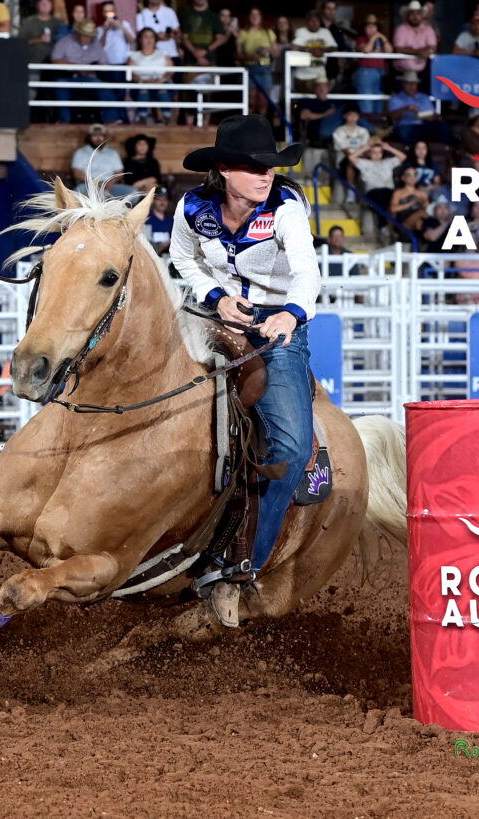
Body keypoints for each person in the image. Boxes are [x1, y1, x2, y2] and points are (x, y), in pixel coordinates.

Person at [170, 114, 318, 629]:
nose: (266, 176)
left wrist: (290, 313)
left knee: (293, 447)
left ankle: (238, 567)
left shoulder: (286, 208)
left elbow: (306, 271)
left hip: (278, 329)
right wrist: (214, 296)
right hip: (213, 320)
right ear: (226, 172)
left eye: (271, 167)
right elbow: (182, 261)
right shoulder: (192, 208)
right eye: (255, 168)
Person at [52, 18, 118, 124]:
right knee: (59, 87)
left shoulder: (96, 44)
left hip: (91, 79)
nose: (87, 38)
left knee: (106, 88)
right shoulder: (64, 41)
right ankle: (64, 121)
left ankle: (110, 120)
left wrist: (92, 68)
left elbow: (105, 63)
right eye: (84, 34)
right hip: (69, 77)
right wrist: (77, 67)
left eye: (89, 35)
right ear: (78, 33)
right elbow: (55, 60)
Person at [71, 123, 136, 197]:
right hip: (89, 185)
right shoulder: (80, 152)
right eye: (95, 135)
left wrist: (111, 181)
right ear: (89, 137)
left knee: (133, 192)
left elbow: (119, 173)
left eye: (101, 135)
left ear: (104, 137)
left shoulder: (112, 153)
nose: (98, 138)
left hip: (109, 186)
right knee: (77, 192)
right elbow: (77, 172)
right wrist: (94, 182)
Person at [128, 27, 174, 125]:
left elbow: (170, 72)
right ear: (140, 39)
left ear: (155, 40)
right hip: (141, 83)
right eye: (145, 37)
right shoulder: (134, 56)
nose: (149, 40)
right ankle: (142, 118)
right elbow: (132, 74)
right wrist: (143, 81)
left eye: (151, 37)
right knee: (143, 90)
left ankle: (167, 116)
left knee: (163, 90)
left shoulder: (163, 54)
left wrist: (162, 80)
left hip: (161, 82)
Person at [237, 7, 278, 116]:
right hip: (250, 68)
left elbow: (277, 53)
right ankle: (248, 127)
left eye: (257, 15)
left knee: (263, 103)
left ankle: (261, 129)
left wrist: (268, 50)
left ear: (261, 17)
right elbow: (238, 55)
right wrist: (250, 57)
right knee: (251, 101)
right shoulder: (243, 33)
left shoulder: (269, 33)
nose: (255, 17)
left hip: (265, 68)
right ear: (249, 17)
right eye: (252, 15)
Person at [291, 10, 337, 93]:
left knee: (322, 91)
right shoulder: (301, 31)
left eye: (316, 20)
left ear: (320, 22)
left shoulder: (325, 32)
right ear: (307, 22)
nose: (314, 23)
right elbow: (295, 47)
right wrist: (310, 50)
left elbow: (334, 47)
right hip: (302, 75)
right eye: (311, 20)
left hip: (320, 74)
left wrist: (322, 50)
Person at [354, 15, 391, 115]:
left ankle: (376, 128)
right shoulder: (361, 39)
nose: (371, 28)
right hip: (366, 72)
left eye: (374, 25)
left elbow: (389, 51)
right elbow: (366, 50)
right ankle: (367, 127)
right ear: (364, 28)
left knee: (378, 101)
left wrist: (383, 38)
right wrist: (374, 38)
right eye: (368, 26)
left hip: (380, 72)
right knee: (366, 102)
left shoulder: (381, 40)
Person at [393, 0, 437, 76]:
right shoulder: (401, 30)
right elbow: (398, 49)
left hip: (422, 74)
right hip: (401, 72)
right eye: (412, 13)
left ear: (422, 15)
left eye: (418, 13)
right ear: (407, 15)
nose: (415, 16)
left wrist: (426, 51)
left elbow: (433, 47)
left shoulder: (428, 30)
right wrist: (419, 52)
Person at [145, 186, 174, 255]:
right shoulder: (147, 218)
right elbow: (145, 243)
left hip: (168, 255)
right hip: (151, 255)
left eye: (165, 199)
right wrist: (161, 246)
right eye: (159, 199)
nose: (162, 202)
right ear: (153, 200)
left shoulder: (170, 219)